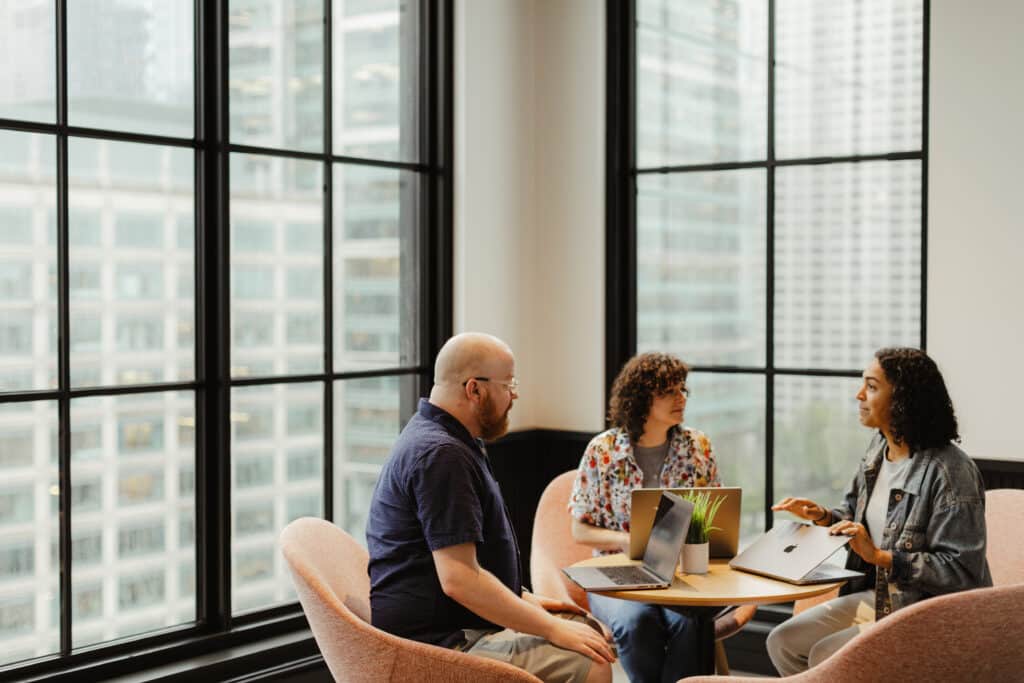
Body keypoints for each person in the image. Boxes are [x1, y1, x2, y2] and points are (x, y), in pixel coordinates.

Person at [366, 332, 615, 683]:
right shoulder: (442, 455)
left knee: (584, 628)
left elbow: (465, 564)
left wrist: (522, 598)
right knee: (591, 661)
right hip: (438, 643)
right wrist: (551, 629)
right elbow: (459, 579)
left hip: (454, 623)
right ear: (475, 390)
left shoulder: (446, 439)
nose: (515, 395)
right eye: (509, 384)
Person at [767, 347, 992, 675]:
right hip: (883, 596)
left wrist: (881, 557)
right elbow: (858, 518)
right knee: (783, 641)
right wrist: (824, 517)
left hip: (929, 611)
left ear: (903, 398)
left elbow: (961, 572)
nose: (858, 395)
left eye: (871, 387)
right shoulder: (878, 449)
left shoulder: (950, 471)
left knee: (827, 656)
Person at [569, 352, 720, 683]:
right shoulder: (603, 451)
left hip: (680, 571)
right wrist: (629, 540)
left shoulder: (698, 447)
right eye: (669, 391)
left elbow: (714, 514)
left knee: (689, 622)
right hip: (615, 572)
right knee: (636, 623)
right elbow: (579, 529)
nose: (681, 398)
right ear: (641, 398)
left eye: (683, 390)